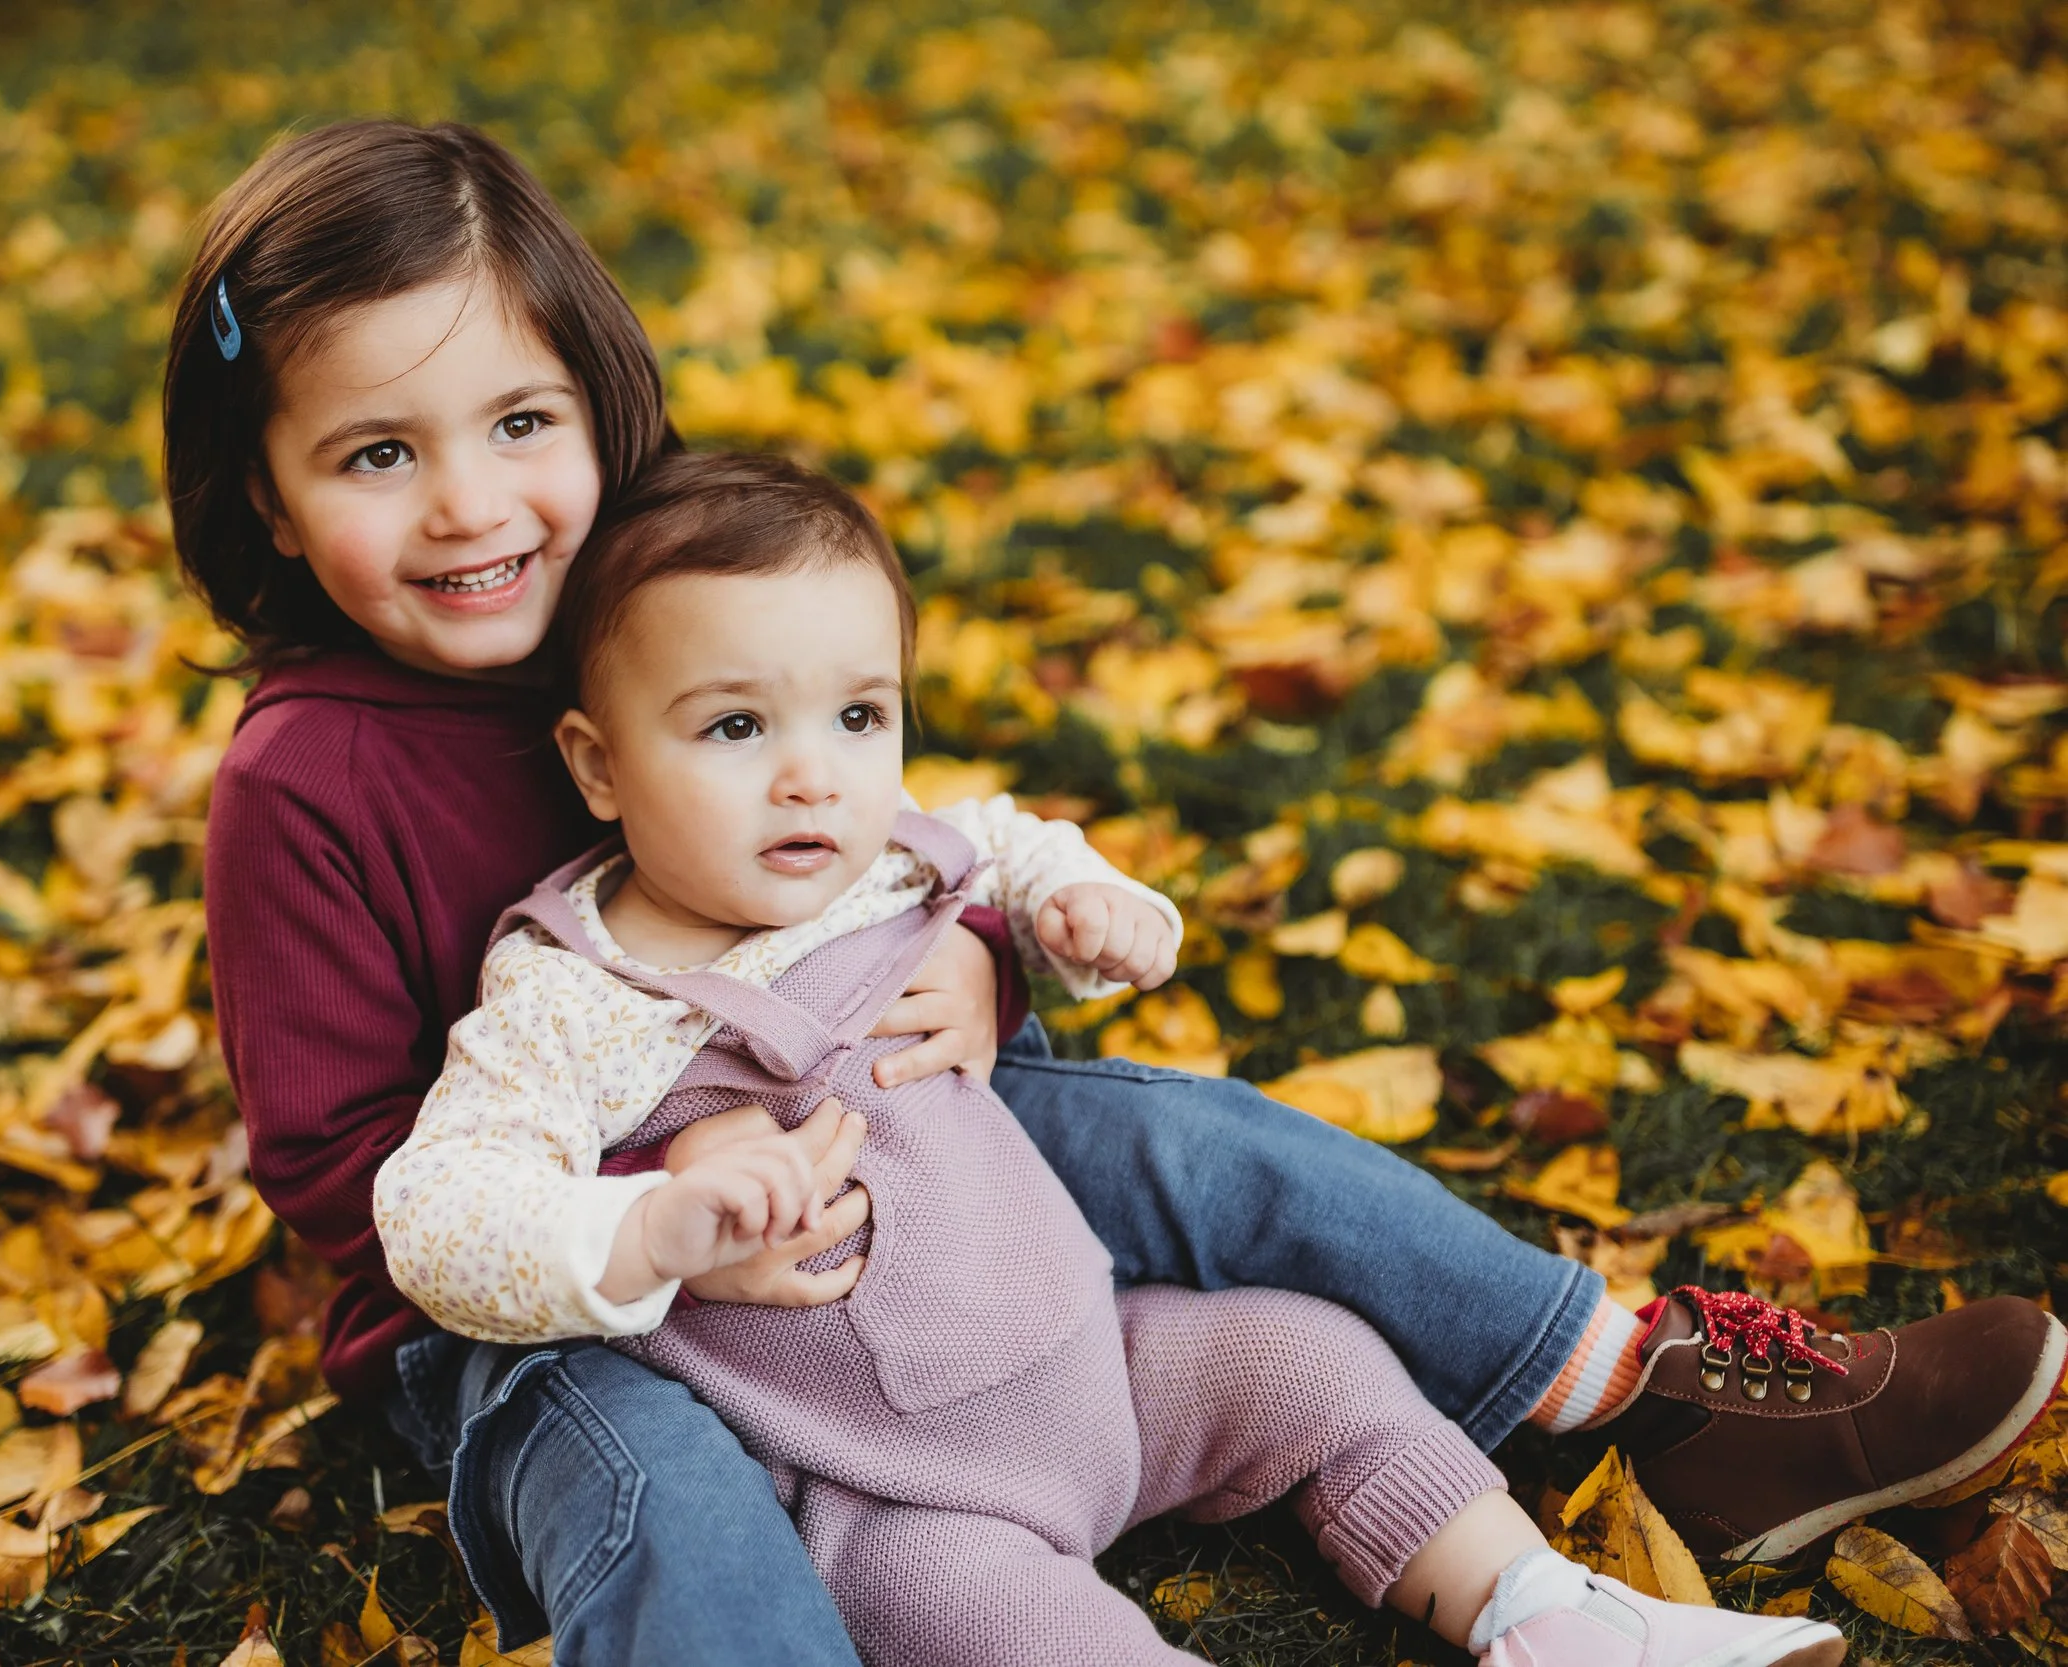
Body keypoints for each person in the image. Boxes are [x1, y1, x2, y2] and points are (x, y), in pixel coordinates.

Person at [174, 117, 2067, 1666]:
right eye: (374, 453)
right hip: (542, 1294)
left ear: (598, 399)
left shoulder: (649, 597)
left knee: (1212, 1153)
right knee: (668, 1503)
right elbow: (353, 1182)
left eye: (520, 424)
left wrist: (996, 969)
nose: (470, 507)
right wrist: (657, 1222)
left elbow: (892, 837)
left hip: (861, 1125)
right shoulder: (303, 784)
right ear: (265, 495)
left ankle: (1632, 1390)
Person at [376, 449, 1853, 1667]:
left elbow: (1016, 845)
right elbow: (438, 1204)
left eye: (860, 713)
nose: (813, 771)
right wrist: (639, 1227)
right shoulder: (574, 992)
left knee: (1309, 1356)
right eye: (737, 725)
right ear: (596, 761)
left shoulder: (893, 857)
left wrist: (1088, 911)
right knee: (1012, 1624)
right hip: (902, 1493)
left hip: (1111, 1367)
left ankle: (1537, 1609)